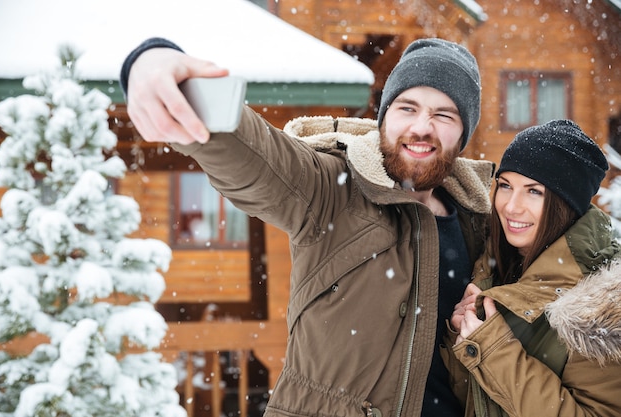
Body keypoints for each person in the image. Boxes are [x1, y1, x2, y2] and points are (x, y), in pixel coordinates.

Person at [120, 37, 494, 417]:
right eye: (407, 107)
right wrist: (154, 63)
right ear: (384, 118)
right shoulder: (331, 189)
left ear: (462, 136)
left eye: (444, 115)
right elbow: (258, 158)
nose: (421, 127)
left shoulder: (483, 224)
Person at [444, 119, 621, 416]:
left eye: (534, 191)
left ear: (565, 204)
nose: (512, 206)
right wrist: (461, 334)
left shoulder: (602, 302)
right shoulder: (492, 269)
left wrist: (493, 350)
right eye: (505, 186)